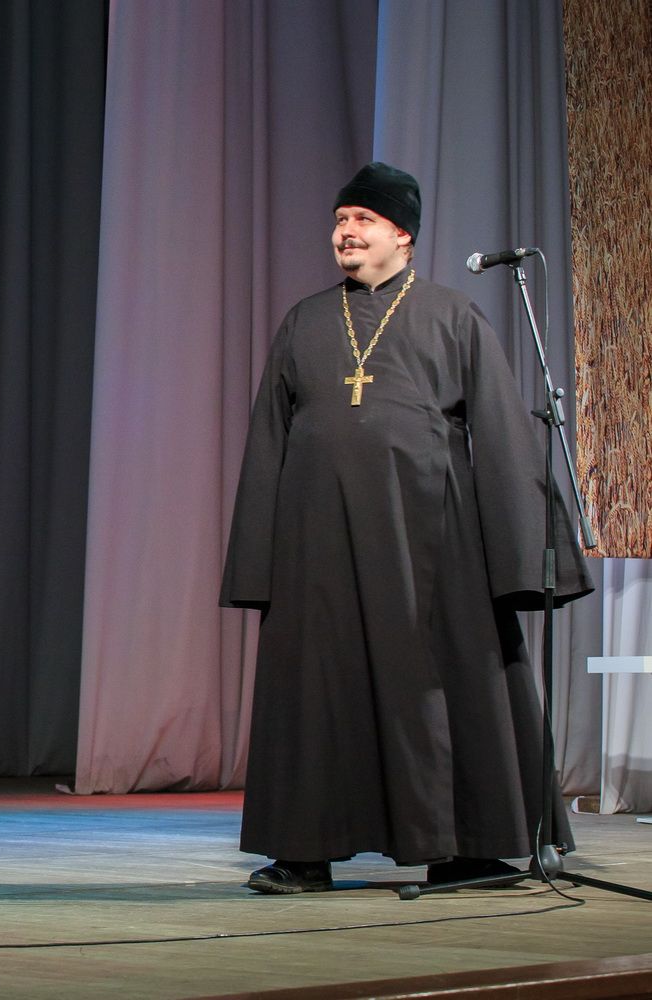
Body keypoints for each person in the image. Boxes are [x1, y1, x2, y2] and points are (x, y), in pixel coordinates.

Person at [219, 162, 593, 894]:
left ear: (404, 235)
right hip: (320, 540)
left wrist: (522, 551)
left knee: (448, 679)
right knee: (316, 688)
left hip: (432, 539)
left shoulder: (453, 316)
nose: (345, 232)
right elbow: (268, 440)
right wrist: (261, 557)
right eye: (339, 220)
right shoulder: (305, 321)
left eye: (362, 219)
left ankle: (467, 849)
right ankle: (304, 852)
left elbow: (500, 432)